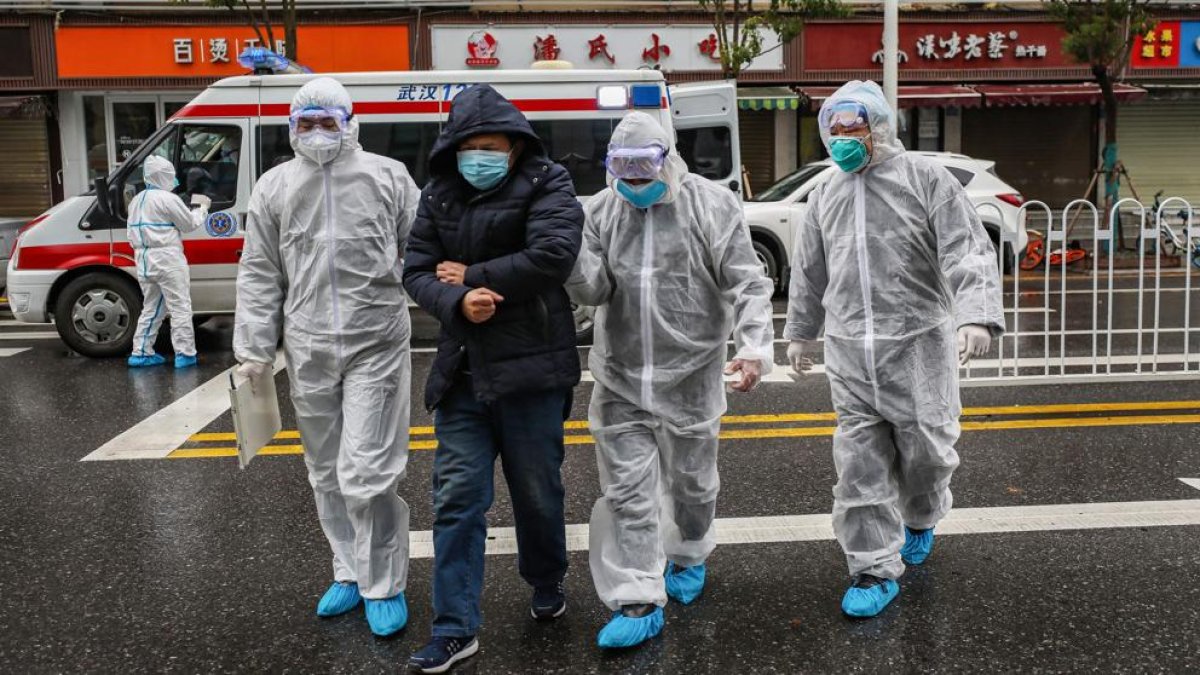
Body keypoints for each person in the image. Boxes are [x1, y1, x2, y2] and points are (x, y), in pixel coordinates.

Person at [785, 80, 1004, 619]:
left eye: (853, 126)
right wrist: (801, 332)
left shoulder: (925, 179)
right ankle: (872, 568)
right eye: (834, 128)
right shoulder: (825, 195)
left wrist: (976, 314)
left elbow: (966, 248)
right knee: (859, 466)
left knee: (928, 453)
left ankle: (922, 515)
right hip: (850, 353)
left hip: (917, 348)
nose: (842, 137)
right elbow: (810, 272)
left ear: (879, 126)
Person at [567, 111, 775, 649]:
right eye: (624, 168)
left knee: (692, 486)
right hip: (621, 377)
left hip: (692, 376)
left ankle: (688, 551)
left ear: (669, 159)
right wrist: (571, 260)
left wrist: (754, 347)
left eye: (644, 166)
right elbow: (593, 291)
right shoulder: (601, 210)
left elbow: (747, 282)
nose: (635, 180)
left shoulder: (711, 205)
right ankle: (637, 597)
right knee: (627, 493)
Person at [402, 84, 584, 673]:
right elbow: (416, 270)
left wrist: (475, 277)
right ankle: (454, 628)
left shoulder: (548, 181)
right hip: (463, 372)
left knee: (537, 492)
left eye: (491, 147)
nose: (479, 156)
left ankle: (546, 578)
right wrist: (457, 301)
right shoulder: (439, 193)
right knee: (456, 499)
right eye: (469, 147)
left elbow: (554, 254)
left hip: (533, 368)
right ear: (452, 148)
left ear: (515, 145)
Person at [233, 77, 420, 637]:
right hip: (309, 343)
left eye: (328, 121)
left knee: (367, 468)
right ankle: (348, 568)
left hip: (376, 340)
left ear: (349, 122)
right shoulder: (275, 186)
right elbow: (260, 270)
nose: (317, 132)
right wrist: (253, 350)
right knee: (325, 469)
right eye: (306, 122)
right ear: (292, 127)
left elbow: (421, 249)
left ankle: (383, 583)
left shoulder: (388, 176)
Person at [126, 154, 210, 368]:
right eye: (171, 176)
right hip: (167, 259)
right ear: (165, 176)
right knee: (180, 307)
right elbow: (188, 224)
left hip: (143, 259)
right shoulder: (168, 199)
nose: (174, 180)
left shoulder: (136, 200)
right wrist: (202, 208)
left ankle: (141, 353)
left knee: (152, 307)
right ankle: (185, 354)